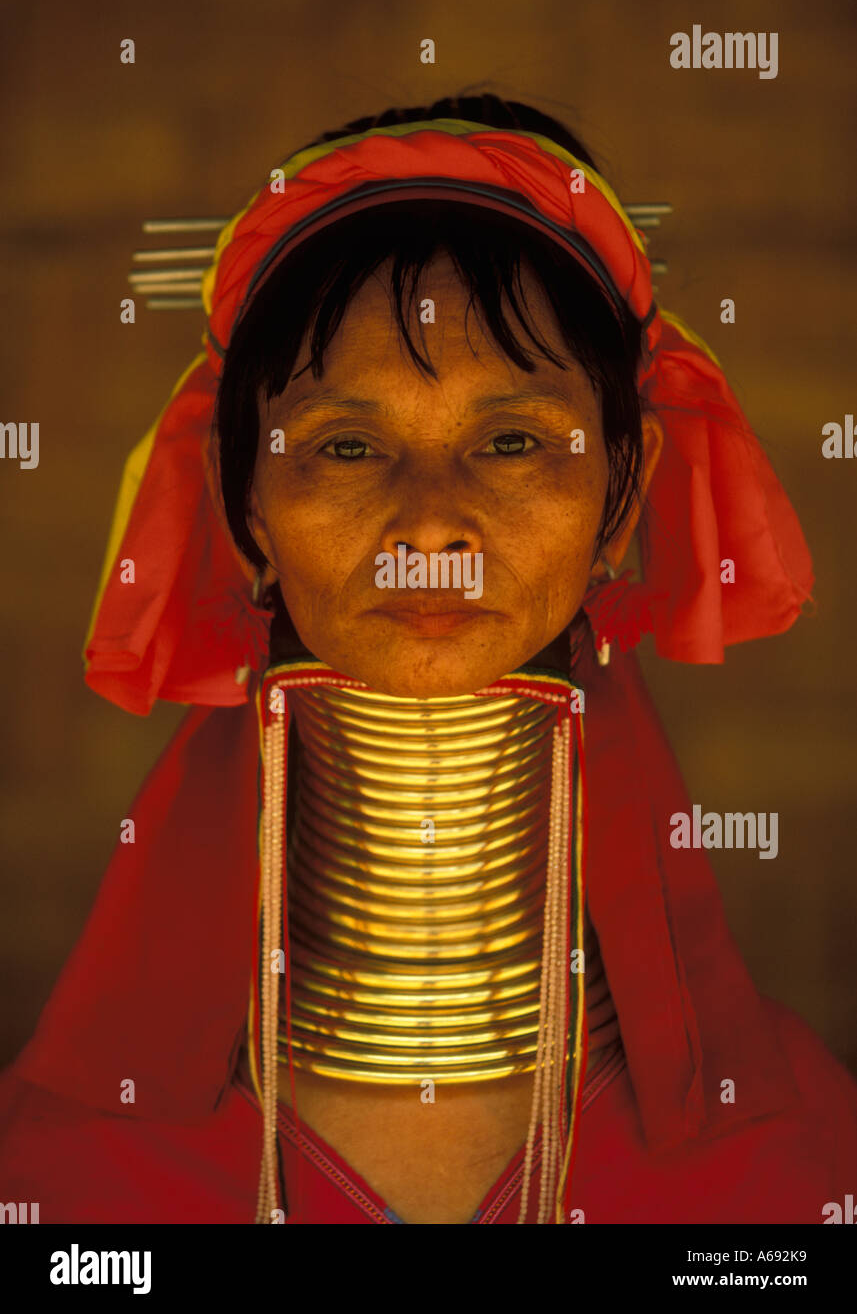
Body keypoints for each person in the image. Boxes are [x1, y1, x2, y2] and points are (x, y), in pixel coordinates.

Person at [1, 93, 855, 1225]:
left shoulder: (794, 1172)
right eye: (347, 446)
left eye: (509, 441)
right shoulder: (57, 1186)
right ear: (240, 501)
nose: (431, 525)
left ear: (622, 493)